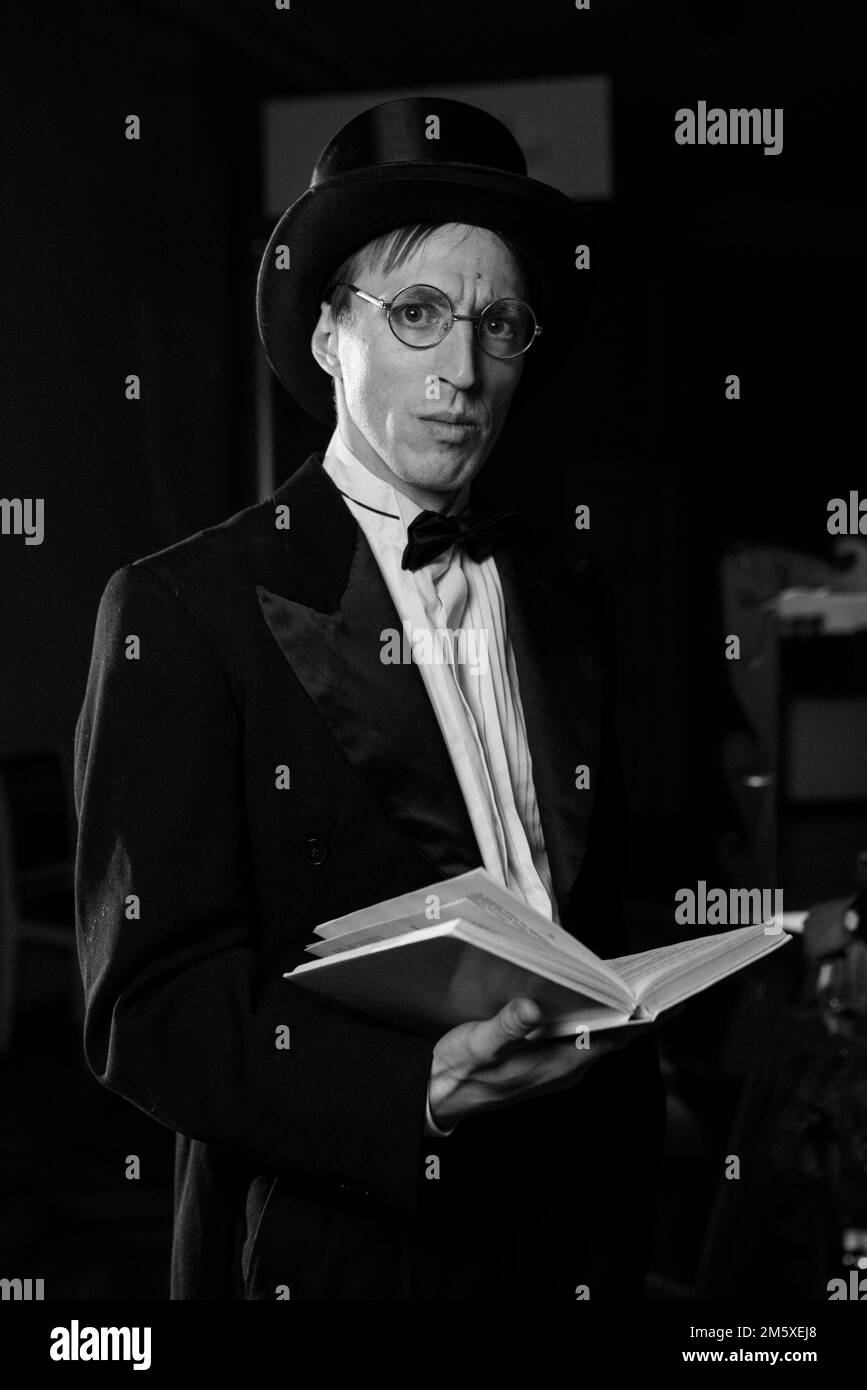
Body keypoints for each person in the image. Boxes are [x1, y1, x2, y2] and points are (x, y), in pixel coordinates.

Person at [74, 96, 664, 1301]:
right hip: (329, 1254)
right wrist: (420, 1091)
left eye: (499, 322)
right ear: (333, 334)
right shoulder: (183, 609)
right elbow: (148, 1008)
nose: (463, 369)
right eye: (416, 313)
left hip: (576, 1235)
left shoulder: (573, 594)